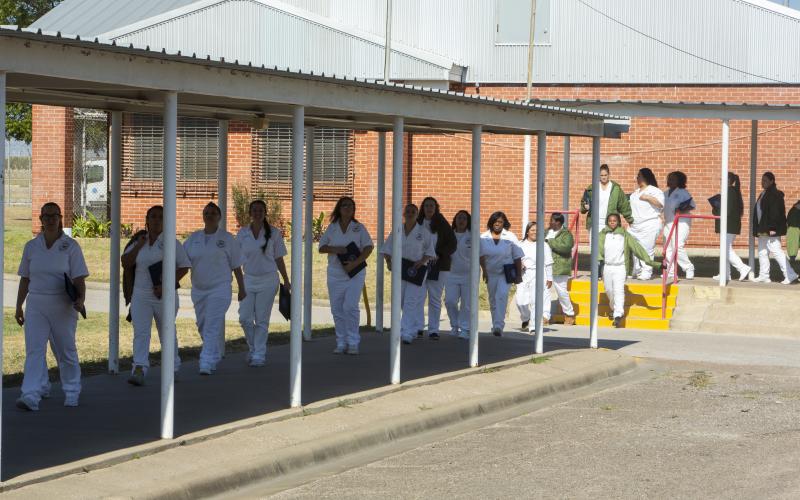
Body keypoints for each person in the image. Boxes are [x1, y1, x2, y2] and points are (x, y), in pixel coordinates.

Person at [14, 202, 88, 411]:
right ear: (40, 219)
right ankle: (31, 394)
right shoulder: (31, 246)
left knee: (65, 350)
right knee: (34, 350)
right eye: (46, 216)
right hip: (36, 303)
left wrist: (81, 298)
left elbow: (79, 277)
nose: (50, 219)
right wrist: (19, 306)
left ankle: (72, 391)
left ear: (60, 218)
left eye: (54, 215)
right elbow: (25, 279)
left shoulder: (70, 246)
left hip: (62, 304)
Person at [121, 205, 191, 386]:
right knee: (141, 333)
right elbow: (126, 262)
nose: (156, 220)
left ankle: (172, 367)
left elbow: (184, 266)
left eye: (160, 217)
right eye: (153, 216)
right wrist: (140, 246)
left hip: (164, 296)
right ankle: (139, 368)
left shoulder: (171, 242)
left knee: (167, 331)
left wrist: (166, 286)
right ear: (147, 219)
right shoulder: (139, 240)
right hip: (141, 294)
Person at [184, 202, 245, 374]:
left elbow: (236, 266)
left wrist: (242, 287)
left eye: (213, 213)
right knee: (203, 325)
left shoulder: (227, 239)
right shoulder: (193, 238)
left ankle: (205, 362)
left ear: (219, 217)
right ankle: (215, 353)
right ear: (203, 216)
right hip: (199, 290)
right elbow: (181, 261)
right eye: (207, 212)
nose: (209, 215)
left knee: (211, 324)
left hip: (220, 289)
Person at [236, 200, 289, 367]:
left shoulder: (273, 233)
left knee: (261, 320)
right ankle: (253, 348)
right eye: (254, 210)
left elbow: (279, 258)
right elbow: (236, 259)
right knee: (244, 318)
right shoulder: (243, 233)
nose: (257, 213)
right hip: (248, 279)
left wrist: (286, 280)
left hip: (268, 280)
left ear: (265, 212)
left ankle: (259, 354)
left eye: (260, 210)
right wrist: (239, 284)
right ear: (250, 213)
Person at [319, 196, 374, 354]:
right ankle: (341, 341)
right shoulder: (332, 227)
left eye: (351, 206)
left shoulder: (359, 227)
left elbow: (369, 247)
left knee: (350, 306)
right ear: (339, 208)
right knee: (337, 308)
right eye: (344, 206)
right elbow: (321, 248)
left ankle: (353, 342)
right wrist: (336, 249)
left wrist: (354, 263)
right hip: (335, 274)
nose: (348, 208)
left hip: (355, 273)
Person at [383, 204, 435, 344]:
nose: (410, 213)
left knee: (411, 301)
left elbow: (430, 252)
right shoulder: (397, 229)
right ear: (403, 214)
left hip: (416, 269)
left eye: (413, 211)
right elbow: (387, 249)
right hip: (400, 268)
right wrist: (388, 261)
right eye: (408, 211)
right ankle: (411, 329)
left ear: (417, 214)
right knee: (400, 301)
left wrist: (422, 261)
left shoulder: (424, 232)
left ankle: (406, 332)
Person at [599, 213, 661, 328]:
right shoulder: (603, 234)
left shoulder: (625, 235)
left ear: (618, 222)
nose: (612, 222)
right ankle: (613, 308)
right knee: (609, 290)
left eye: (615, 220)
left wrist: (654, 263)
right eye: (610, 221)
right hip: (607, 267)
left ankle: (618, 314)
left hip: (620, 267)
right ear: (607, 222)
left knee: (618, 291)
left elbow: (638, 249)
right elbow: (598, 250)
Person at [417, 197, 457, 340]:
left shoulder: (441, 223)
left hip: (438, 266)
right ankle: (418, 327)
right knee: (419, 297)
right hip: (420, 265)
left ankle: (433, 329)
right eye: (426, 206)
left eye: (432, 206)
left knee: (434, 298)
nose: (429, 208)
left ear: (436, 208)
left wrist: (440, 254)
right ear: (423, 208)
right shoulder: (418, 222)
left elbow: (452, 243)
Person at [479, 211, 523, 336]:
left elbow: (517, 256)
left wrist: (518, 274)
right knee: (493, 299)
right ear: (491, 222)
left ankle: (499, 326)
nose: (497, 224)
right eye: (495, 221)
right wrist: (484, 271)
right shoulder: (483, 237)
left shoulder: (510, 236)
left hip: (506, 273)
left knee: (502, 296)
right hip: (491, 273)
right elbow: (481, 256)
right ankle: (495, 324)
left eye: (500, 222)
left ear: (504, 223)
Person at [752, 172, 798, 284]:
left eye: (765, 180)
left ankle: (790, 274)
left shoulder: (774, 194)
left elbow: (775, 213)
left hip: (770, 228)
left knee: (776, 250)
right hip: (762, 228)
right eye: (762, 180)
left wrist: (772, 227)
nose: (763, 182)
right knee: (762, 251)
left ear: (772, 181)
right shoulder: (764, 193)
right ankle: (764, 275)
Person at [712, 173, 752, 282]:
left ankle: (742, 267)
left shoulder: (729, 191)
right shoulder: (732, 191)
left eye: (723, 178)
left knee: (726, 249)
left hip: (728, 225)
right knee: (725, 249)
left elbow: (726, 210)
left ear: (728, 180)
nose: (721, 180)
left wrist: (716, 208)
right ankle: (725, 274)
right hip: (729, 224)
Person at [515, 221, 553, 332]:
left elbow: (549, 262)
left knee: (535, 300)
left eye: (537, 230)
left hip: (539, 273)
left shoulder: (544, 245)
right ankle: (526, 318)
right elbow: (514, 258)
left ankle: (533, 326)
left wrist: (550, 278)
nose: (534, 232)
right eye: (532, 230)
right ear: (527, 232)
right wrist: (518, 264)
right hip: (523, 274)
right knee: (520, 301)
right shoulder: (520, 244)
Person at [628, 168, 664, 280]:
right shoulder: (635, 193)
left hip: (649, 224)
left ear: (645, 177)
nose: (637, 178)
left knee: (647, 249)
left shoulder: (654, 190)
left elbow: (660, 204)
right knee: (633, 249)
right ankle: (637, 270)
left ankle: (647, 272)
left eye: (639, 175)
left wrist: (648, 198)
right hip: (635, 226)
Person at [580, 164, 633, 240]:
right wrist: (585, 207)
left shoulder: (616, 189)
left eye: (605, 175)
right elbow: (583, 204)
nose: (604, 177)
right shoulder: (592, 188)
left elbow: (624, 206)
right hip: (594, 223)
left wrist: (630, 220)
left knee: (609, 248)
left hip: (611, 223)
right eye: (601, 175)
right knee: (595, 249)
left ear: (609, 175)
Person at [662, 171, 696, 280]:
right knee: (668, 248)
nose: (670, 180)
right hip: (668, 222)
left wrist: (681, 210)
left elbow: (692, 205)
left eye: (673, 179)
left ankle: (688, 268)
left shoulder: (683, 192)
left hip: (681, 222)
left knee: (678, 246)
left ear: (679, 181)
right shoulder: (665, 193)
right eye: (669, 178)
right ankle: (670, 271)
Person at [444, 210, 472, 340]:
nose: (461, 221)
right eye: (459, 218)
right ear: (455, 220)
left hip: (469, 275)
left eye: (464, 218)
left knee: (466, 304)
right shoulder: (449, 236)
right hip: (451, 274)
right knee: (450, 301)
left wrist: (484, 270)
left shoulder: (473, 236)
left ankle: (465, 328)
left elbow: (481, 255)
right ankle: (454, 325)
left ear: (468, 222)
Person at [545, 213, 576, 325]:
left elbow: (566, 247)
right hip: (546, 266)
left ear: (558, 222)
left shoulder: (566, 234)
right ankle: (545, 316)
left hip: (560, 267)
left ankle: (569, 314)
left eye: (552, 220)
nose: (550, 222)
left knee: (561, 292)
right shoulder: (546, 232)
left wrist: (550, 241)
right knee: (545, 292)